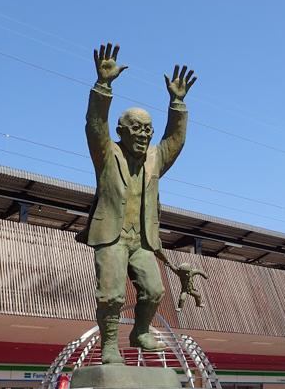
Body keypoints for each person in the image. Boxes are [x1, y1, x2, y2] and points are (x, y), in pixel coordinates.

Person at [76, 42, 197, 363]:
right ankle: (110, 347)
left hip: (142, 240)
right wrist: (103, 85)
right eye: (137, 129)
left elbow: (175, 140)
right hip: (111, 236)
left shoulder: (155, 159)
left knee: (155, 291)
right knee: (112, 295)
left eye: (148, 129)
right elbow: (94, 125)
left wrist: (178, 104)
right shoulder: (107, 153)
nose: (144, 135)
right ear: (121, 131)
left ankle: (141, 331)